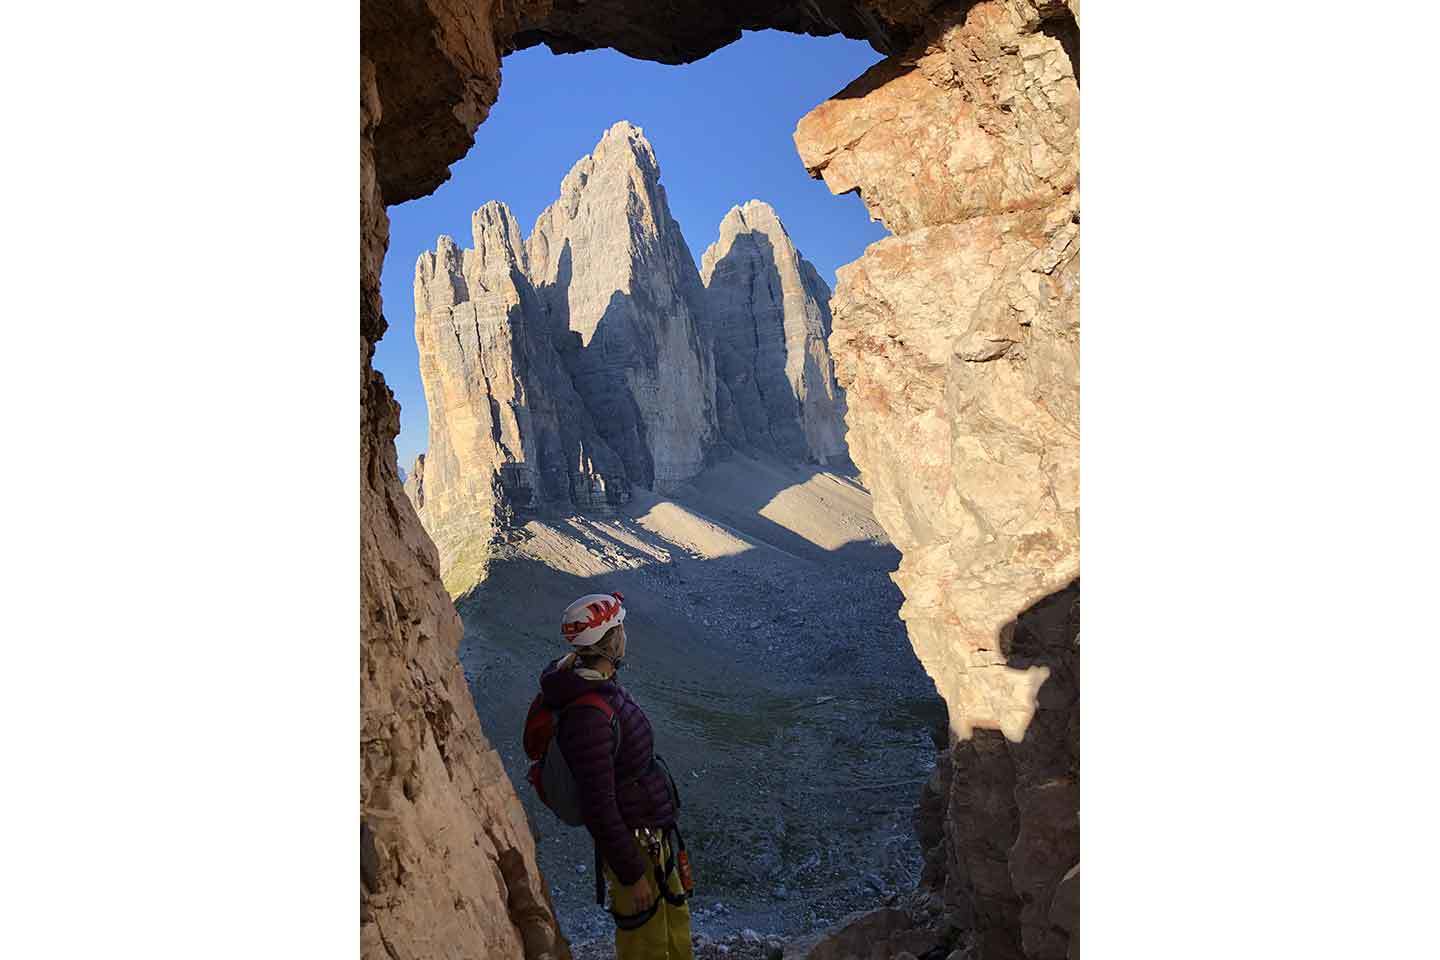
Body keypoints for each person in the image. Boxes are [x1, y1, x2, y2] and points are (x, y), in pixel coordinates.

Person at [540, 592, 693, 960]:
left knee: (672, 923)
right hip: (635, 844)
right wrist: (631, 873)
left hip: (649, 834)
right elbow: (598, 803)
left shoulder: (596, 685)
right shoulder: (589, 716)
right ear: (610, 640)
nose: (626, 634)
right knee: (647, 943)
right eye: (620, 627)